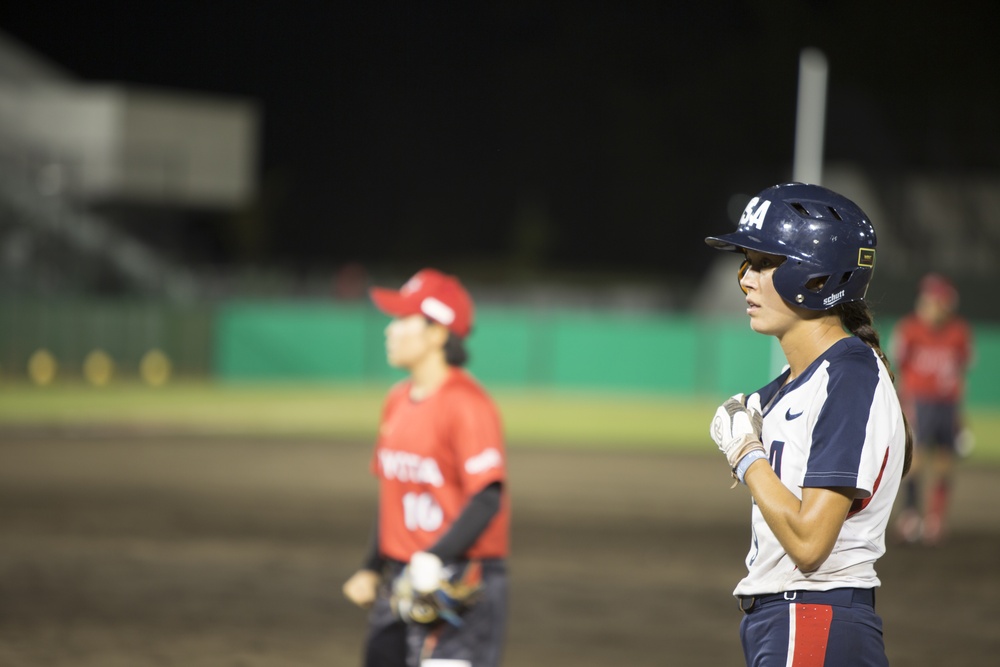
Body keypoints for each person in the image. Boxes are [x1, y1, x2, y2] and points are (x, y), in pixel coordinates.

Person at [705, 183, 912, 666]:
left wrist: (746, 454)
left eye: (762, 263)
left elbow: (809, 543)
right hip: (798, 620)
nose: (746, 280)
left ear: (816, 276)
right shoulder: (802, 382)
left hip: (812, 617)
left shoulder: (850, 375)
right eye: (746, 263)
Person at [342, 268, 510, 667]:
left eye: (403, 319)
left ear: (437, 334)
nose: (390, 330)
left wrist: (434, 558)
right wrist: (370, 568)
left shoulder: (468, 404)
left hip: (461, 575)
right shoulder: (397, 401)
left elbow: (487, 497)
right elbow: (394, 498)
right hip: (401, 579)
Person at [891, 273, 973, 546]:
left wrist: (960, 411)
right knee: (916, 459)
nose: (927, 304)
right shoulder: (909, 329)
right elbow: (900, 368)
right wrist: (904, 405)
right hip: (919, 401)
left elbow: (961, 370)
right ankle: (911, 513)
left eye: (933, 300)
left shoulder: (959, 332)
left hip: (947, 402)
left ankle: (936, 517)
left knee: (944, 459)